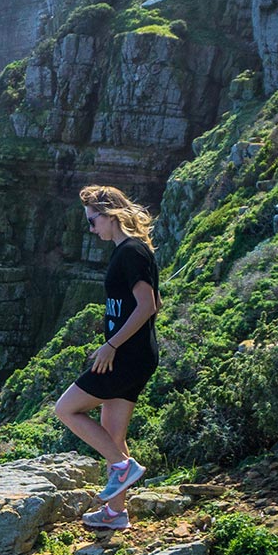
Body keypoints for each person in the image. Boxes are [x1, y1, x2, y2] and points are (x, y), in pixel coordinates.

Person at [53, 184, 161, 531]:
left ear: (110, 215)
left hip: (126, 356)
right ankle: (116, 514)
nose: (90, 228)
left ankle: (123, 466)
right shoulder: (127, 250)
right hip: (133, 355)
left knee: (66, 409)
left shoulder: (131, 252)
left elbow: (148, 305)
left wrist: (111, 345)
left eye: (92, 220)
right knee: (113, 434)